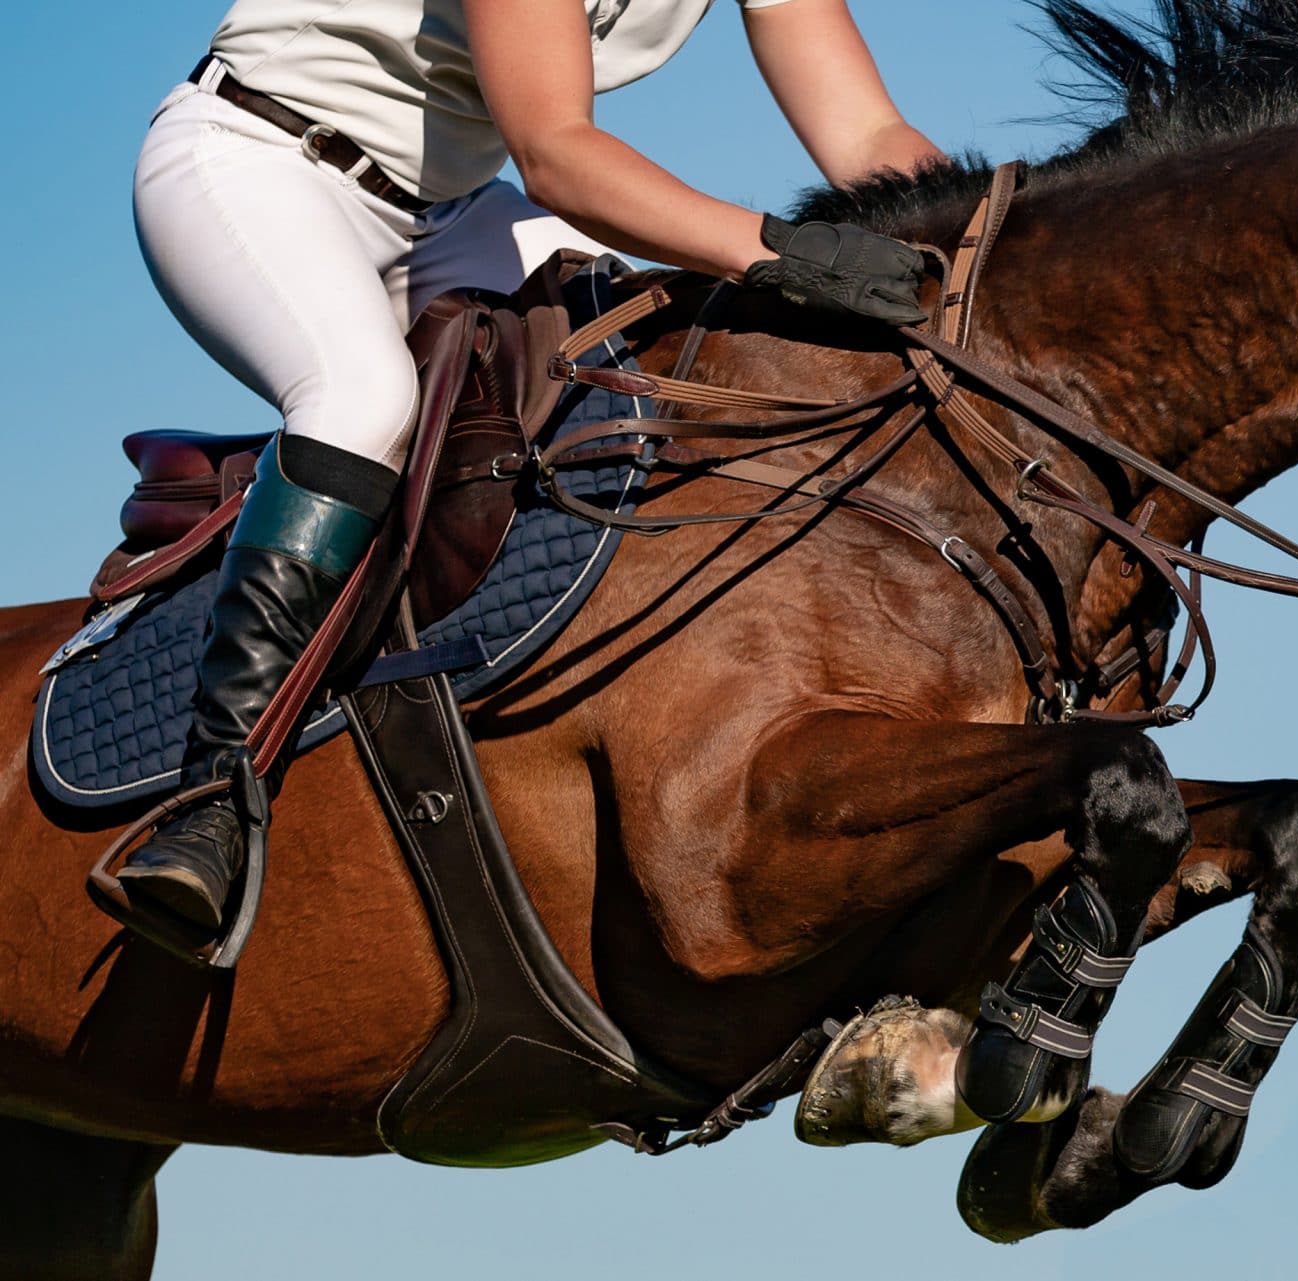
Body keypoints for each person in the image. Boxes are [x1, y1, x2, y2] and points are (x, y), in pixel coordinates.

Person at [119, 0, 943, 936]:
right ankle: (208, 797)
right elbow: (555, 153)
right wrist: (775, 251)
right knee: (361, 400)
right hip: (260, 159)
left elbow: (869, 135)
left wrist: (980, 232)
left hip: (448, 215)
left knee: (650, 350)